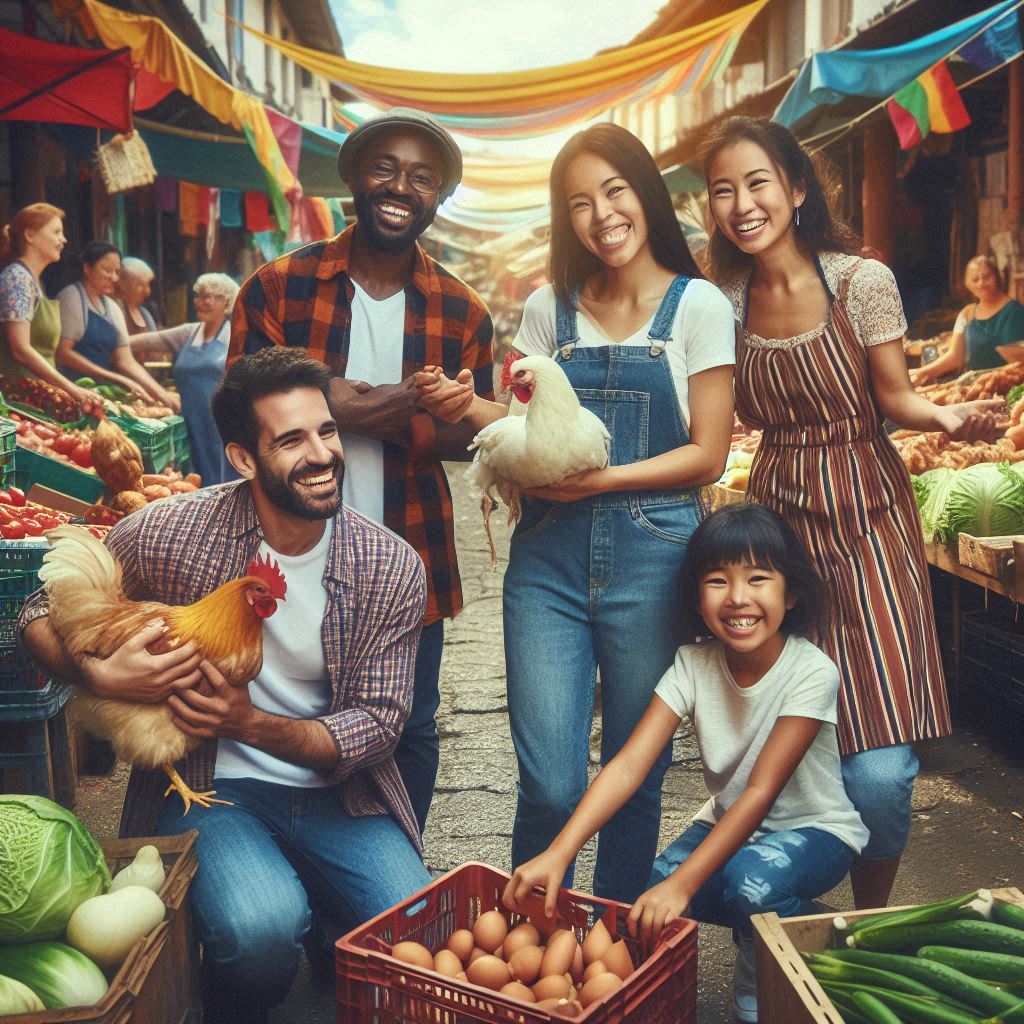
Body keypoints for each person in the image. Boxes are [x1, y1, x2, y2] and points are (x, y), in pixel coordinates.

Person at [18, 346, 432, 1024]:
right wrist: (96, 669)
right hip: (213, 789)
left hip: (340, 794)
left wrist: (250, 723)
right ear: (244, 458)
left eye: (326, 430)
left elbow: (380, 725)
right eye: (292, 439)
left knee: (417, 933)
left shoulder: (389, 566)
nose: (323, 453)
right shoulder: (175, 530)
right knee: (258, 934)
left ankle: (329, 919)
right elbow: (35, 610)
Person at [416, 123, 735, 903]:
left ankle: (617, 952)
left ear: (645, 195)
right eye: (580, 203)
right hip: (548, 563)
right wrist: (471, 410)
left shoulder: (699, 307)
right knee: (552, 784)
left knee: (636, 777)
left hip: (657, 555)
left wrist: (604, 481)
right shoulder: (547, 309)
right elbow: (532, 425)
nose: (602, 215)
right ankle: (533, 939)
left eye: (615, 191)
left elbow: (709, 454)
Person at [701, 116, 1001, 910]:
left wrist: (942, 417)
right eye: (723, 190)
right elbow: (706, 413)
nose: (742, 203)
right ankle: (776, 921)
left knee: (881, 773)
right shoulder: (720, 301)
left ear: (797, 189)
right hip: (774, 525)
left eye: (757, 182)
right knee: (779, 737)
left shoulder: (861, 281)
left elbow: (895, 395)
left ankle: (868, 919)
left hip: (871, 514)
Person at [230, 107, 494, 836]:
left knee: (410, 724)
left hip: (412, 554)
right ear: (352, 179)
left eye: (421, 177)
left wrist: (361, 404)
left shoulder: (462, 310)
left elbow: (475, 437)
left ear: (436, 198)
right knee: (293, 711)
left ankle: (389, 871)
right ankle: (303, 854)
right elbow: (243, 413)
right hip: (285, 551)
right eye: (385, 168)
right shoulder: (278, 287)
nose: (400, 186)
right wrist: (399, 402)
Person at [504, 503, 868, 1024]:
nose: (739, 597)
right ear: (697, 600)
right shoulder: (692, 665)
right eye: (718, 580)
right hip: (727, 827)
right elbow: (628, 764)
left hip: (815, 830)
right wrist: (560, 852)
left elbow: (760, 791)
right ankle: (779, 926)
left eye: (758, 578)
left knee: (744, 887)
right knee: (646, 902)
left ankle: (787, 946)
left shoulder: (811, 671)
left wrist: (685, 884)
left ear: (791, 594)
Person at [130, 273, 239, 485]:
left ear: (226, 302)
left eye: (211, 297)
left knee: (224, 486)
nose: (202, 301)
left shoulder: (236, 335)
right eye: (199, 295)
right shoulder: (188, 333)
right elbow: (134, 343)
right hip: (188, 429)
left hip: (223, 430)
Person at [56, 241, 180, 412]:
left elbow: (125, 360)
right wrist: (116, 378)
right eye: (107, 270)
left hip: (104, 395)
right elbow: (64, 353)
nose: (114, 278)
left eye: (117, 272)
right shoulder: (72, 297)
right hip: (73, 394)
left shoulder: (112, 307)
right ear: (87, 268)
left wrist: (159, 393)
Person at [0, 203, 96, 405]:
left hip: (41, 397)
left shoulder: (35, 281)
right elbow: (20, 348)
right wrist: (71, 388)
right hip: (19, 402)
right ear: (30, 235)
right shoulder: (17, 279)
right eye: (57, 232)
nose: (64, 239)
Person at [911, 254, 1024, 383]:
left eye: (987, 276)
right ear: (968, 284)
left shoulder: (1015, 311)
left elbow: (1018, 361)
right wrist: (921, 373)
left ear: (997, 277)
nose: (981, 283)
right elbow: (955, 357)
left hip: (1004, 384)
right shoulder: (967, 313)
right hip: (972, 385)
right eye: (975, 279)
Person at [115, 256, 158, 336]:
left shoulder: (145, 313)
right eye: (141, 285)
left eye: (148, 285)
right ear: (123, 284)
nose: (148, 292)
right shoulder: (114, 311)